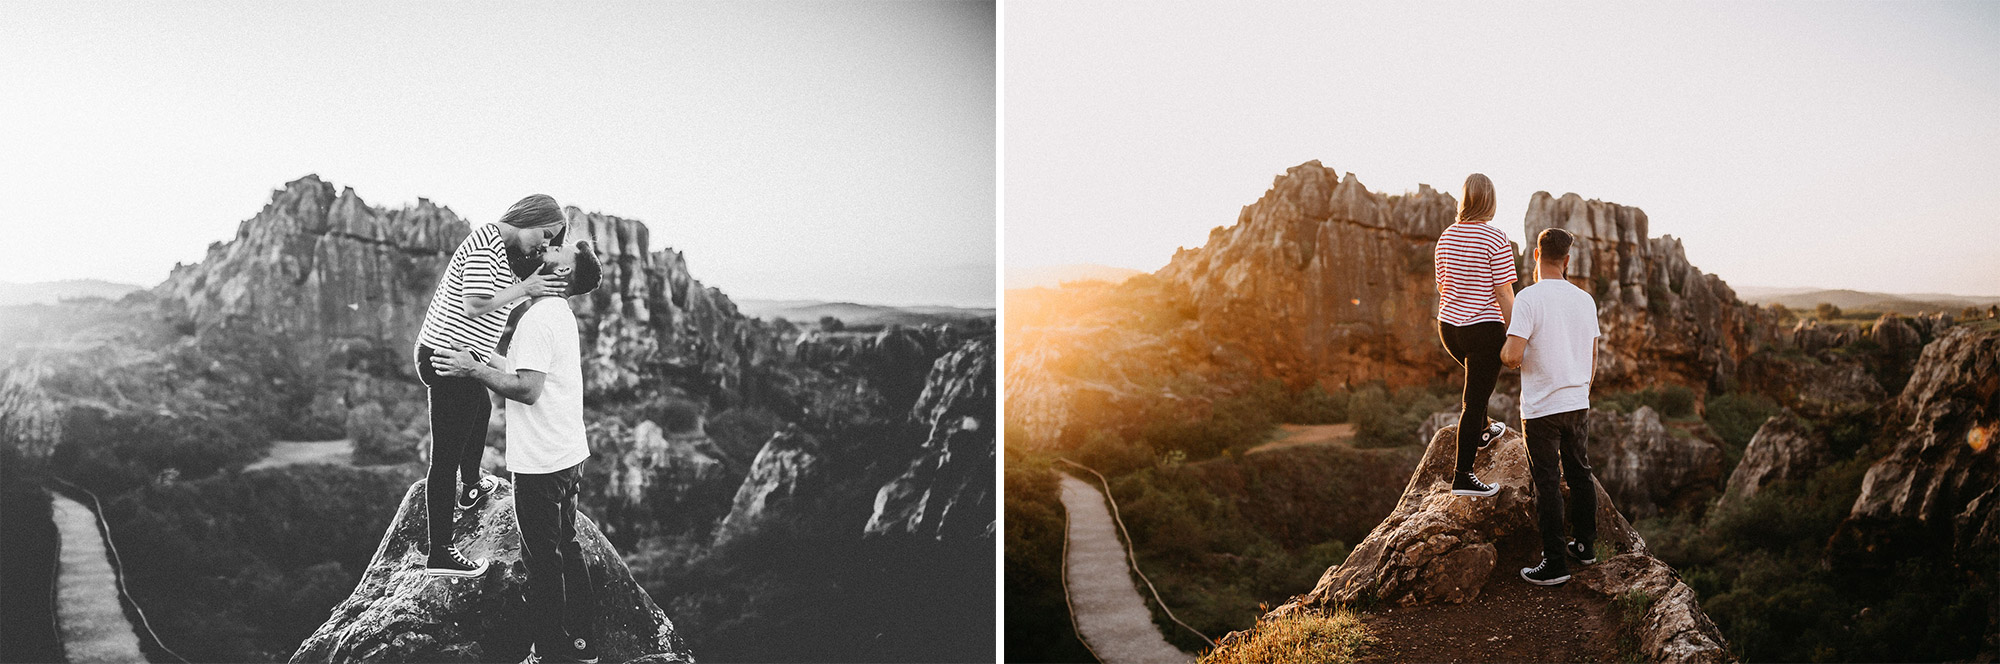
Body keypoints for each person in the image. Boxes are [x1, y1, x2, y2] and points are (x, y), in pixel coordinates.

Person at [434, 238, 603, 664]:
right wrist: (480, 356)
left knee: (542, 562)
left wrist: (471, 369)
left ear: (562, 274)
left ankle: (551, 652)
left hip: (541, 464)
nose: (550, 248)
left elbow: (527, 389)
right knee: (567, 544)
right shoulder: (557, 314)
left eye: (557, 253)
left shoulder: (539, 319)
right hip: (567, 454)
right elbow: (523, 368)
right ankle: (584, 644)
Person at [415, 195, 569, 577]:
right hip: (447, 359)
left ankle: (470, 487)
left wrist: (539, 281)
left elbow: (499, 298)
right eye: (544, 235)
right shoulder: (487, 244)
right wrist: (527, 289)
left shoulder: (502, 249)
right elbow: (474, 304)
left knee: (480, 410)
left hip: (459, 356)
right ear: (528, 217)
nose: (543, 246)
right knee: (445, 458)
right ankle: (441, 554)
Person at [1500, 227, 1602, 586]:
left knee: (1547, 484)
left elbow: (1512, 357)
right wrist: (1581, 393)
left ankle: (1555, 563)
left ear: (1536, 257)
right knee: (1580, 474)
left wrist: (1502, 347)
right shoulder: (1585, 299)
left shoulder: (1528, 299)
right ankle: (1586, 547)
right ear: (1568, 260)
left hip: (1541, 407)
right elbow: (1592, 355)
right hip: (1577, 402)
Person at [1434, 173, 1515, 497]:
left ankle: (1483, 429)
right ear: (1490, 201)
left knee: (1476, 387)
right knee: (1474, 399)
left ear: (1464, 199)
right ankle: (1463, 476)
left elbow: (1443, 286)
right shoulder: (1495, 238)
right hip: (1483, 330)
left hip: (1449, 329)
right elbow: (1505, 295)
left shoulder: (1446, 237)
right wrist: (1517, 335)